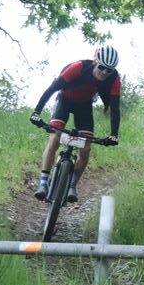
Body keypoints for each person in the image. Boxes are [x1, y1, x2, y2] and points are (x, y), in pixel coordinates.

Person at [29, 43, 121, 202]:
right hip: (64, 100)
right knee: (55, 137)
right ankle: (43, 182)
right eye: (101, 67)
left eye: (109, 70)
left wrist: (114, 134)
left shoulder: (114, 79)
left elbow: (115, 108)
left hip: (84, 107)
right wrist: (36, 112)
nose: (105, 72)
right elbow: (52, 89)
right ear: (95, 62)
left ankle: (72, 185)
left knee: (85, 148)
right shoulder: (78, 67)